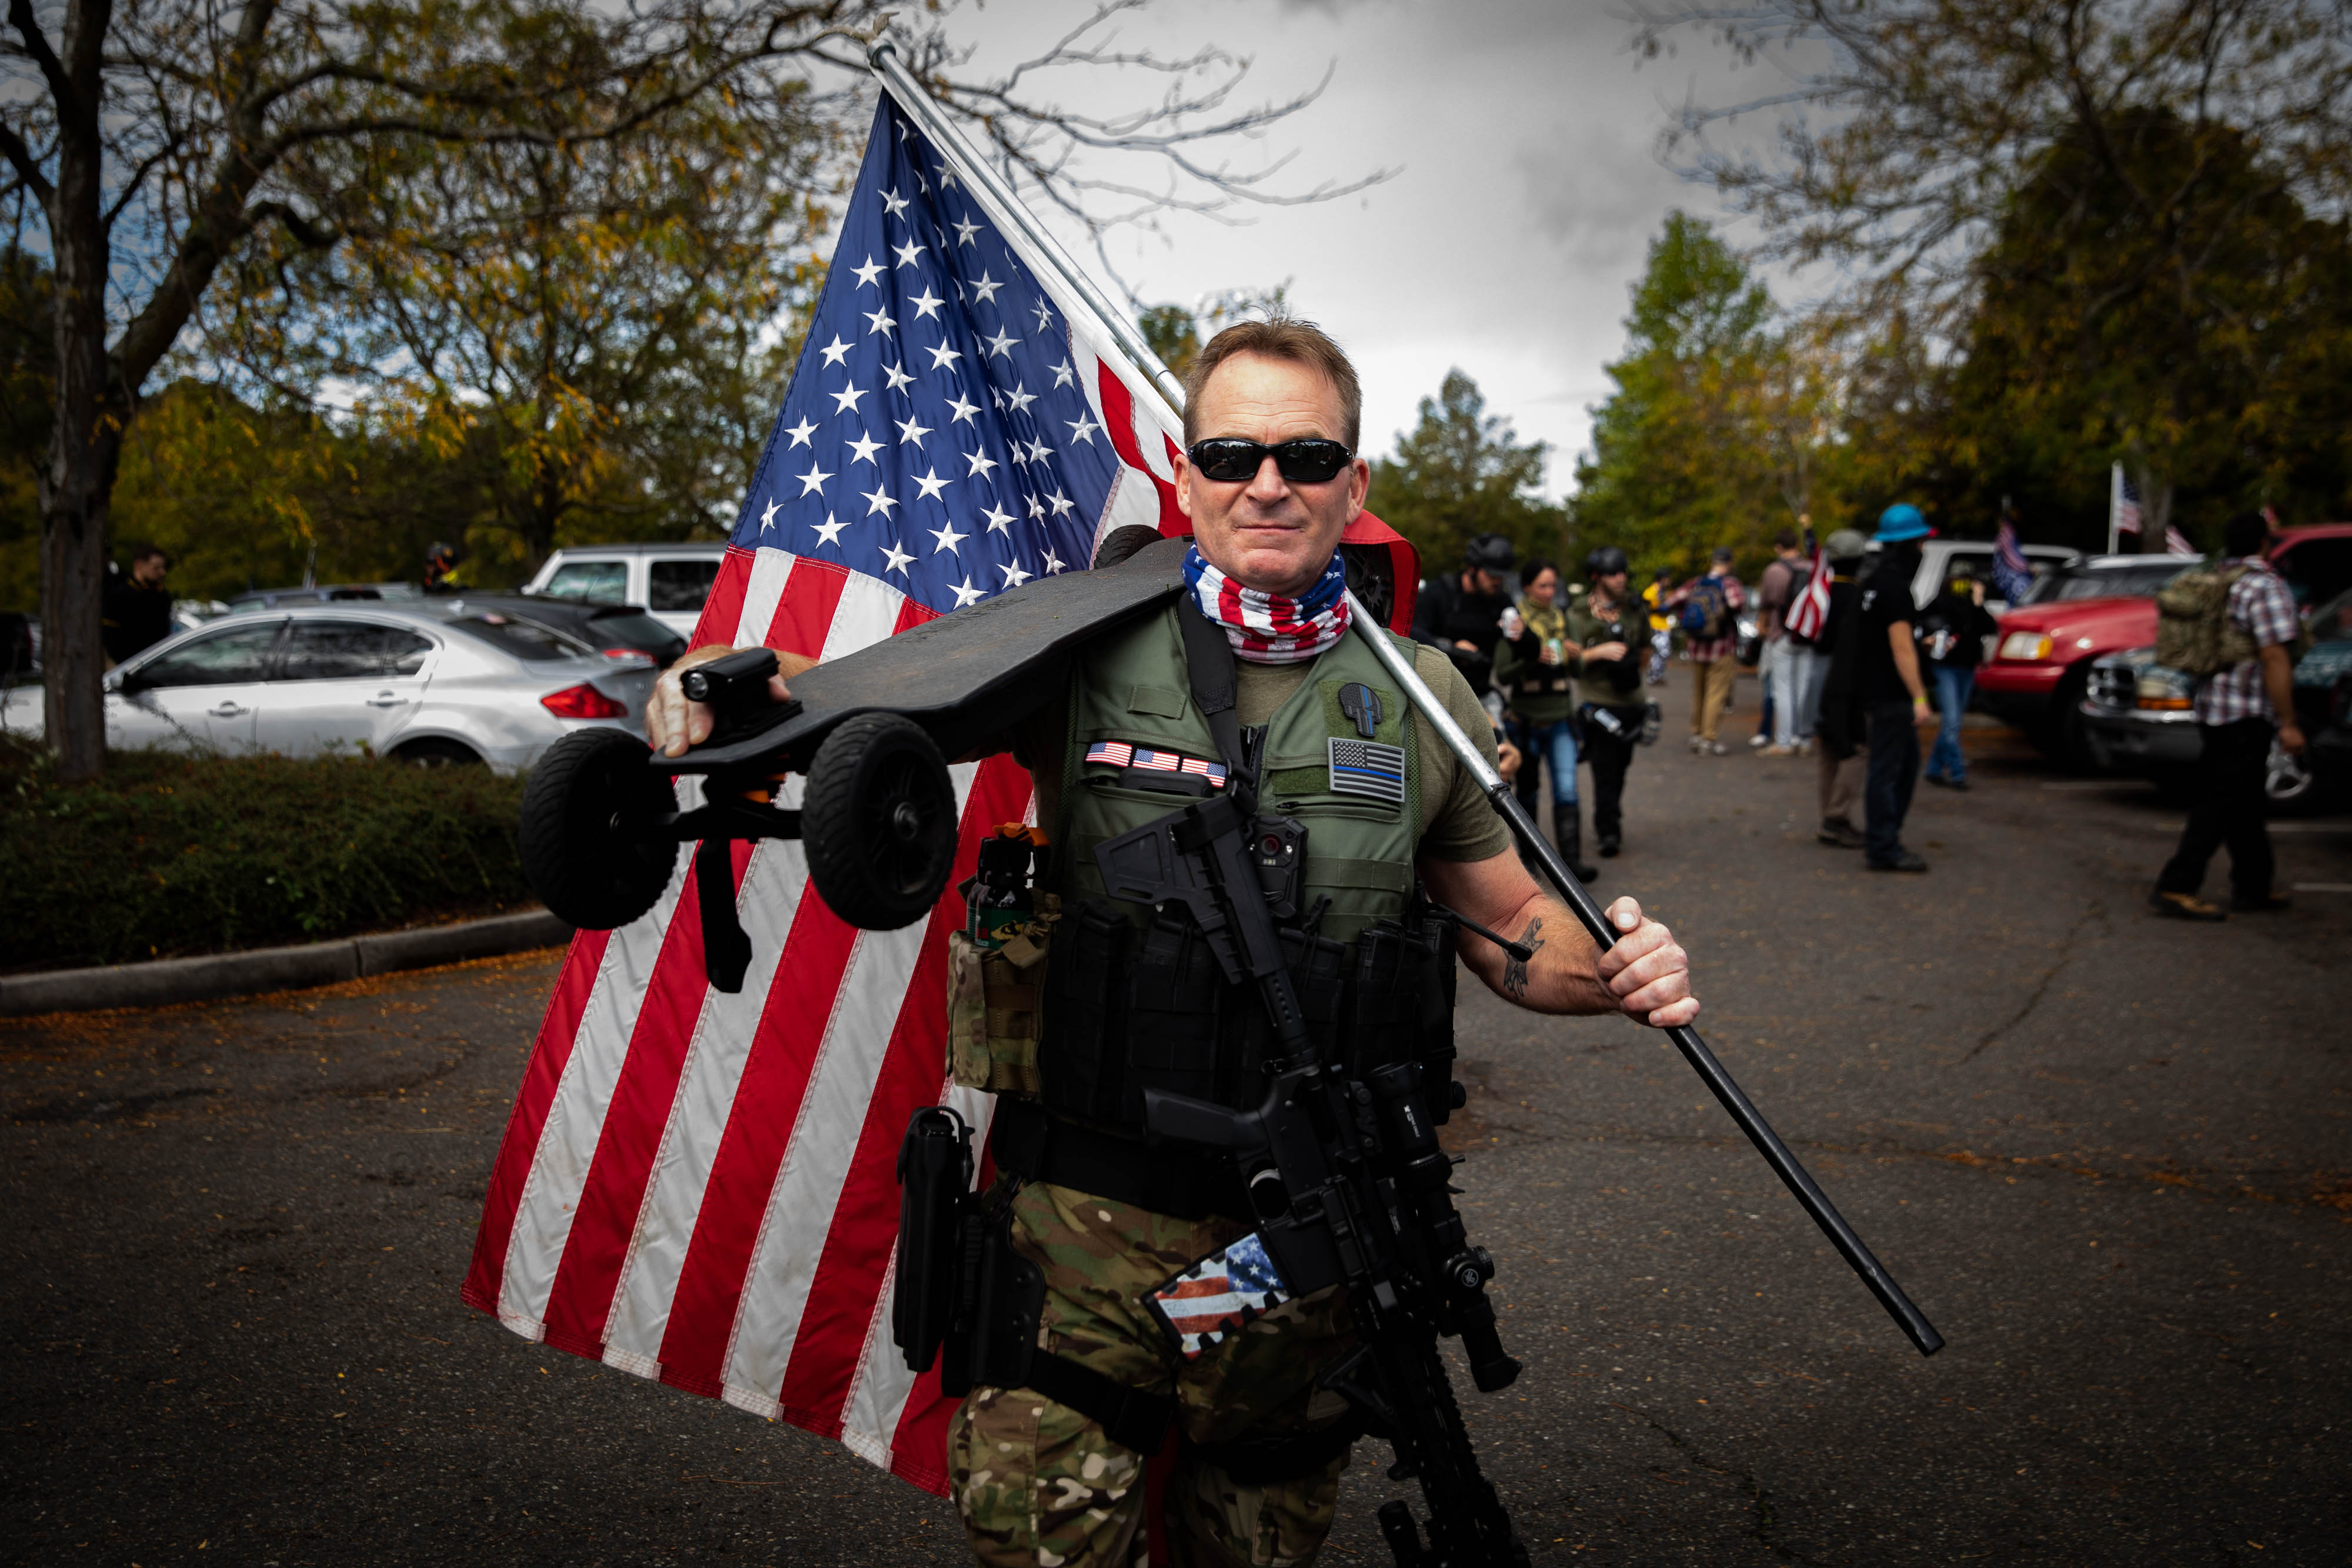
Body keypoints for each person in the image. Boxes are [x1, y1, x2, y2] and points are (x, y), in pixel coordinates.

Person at [645, 317, 1699, 1568]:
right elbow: (858, 701)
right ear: (1187, 475)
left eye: (1306, 454)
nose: (1269, 482)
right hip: (1082, 1229)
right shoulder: (1078, 647)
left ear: (1352, 484)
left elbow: (1510, 925)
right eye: (1233, 450)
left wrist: (1614, 968)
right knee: (1033, 1537)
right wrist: (727, 674)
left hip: (1304, 1254)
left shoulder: (1423, 693)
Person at [2151, 509, 2306, 919]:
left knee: (2246, 801)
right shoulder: (2264, 587)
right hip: (2245, 710)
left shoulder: (2217, 580)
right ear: (2263, 543)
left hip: (2212, 705)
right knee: (2220, 801)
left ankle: (2253, 885)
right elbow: (2274, 655)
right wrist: (2288, 722)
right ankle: (2177, 884)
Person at [1495, 557, 1593, 881]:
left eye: (1554, 585)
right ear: (1527, 587)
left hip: (1561, 719)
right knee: (1529, 793)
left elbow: (1577, 671)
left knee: (1567, 790)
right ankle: (1530, 864)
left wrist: (1575, 656)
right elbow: (1505, 674)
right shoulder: (1516, 621)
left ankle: (1571, 864)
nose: (1550, 592)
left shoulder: (1564, 619)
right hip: (1525, 721)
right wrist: (1531, 657)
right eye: (1543, 585)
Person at [1855, 505, 1940, 871]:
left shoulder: (1872, 582)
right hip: (1893, 696)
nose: (1923, 551)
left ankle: (1883, 840)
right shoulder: (1895, 587)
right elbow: (1900, 646)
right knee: (1894, 771)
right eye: (1920, 543)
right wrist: (1920, 696)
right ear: (1909, 544)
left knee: (1891, 767)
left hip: (1874, 690)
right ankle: (1884, 845)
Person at [1563, 546, 1649, 861]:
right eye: (1614, 573)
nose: (1621, 578)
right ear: (1596, 577)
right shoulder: (1577, 614)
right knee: (1603, 768)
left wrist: (1629, 669)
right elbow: (1571, 663)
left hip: (1630, 701)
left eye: (1624, 572)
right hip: (1597, 703)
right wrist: (1599, 653)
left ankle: (1611, 818)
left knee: (1621, 768)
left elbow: (1645, 650)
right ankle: (1608, 830)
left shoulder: (1635, 609)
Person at [1810, 529, 1873, 847]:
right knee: (1855, 750)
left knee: (1830, 750)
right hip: (1846, 683)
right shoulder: (1856, 596)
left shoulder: (1820, 592)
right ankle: (1836, 816)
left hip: (1818, 679)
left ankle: (1829, 815)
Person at [1917, 568, 1999, 790]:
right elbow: (1921, 620)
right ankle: (1957, 773)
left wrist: (1978, 601)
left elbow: (1990, 627)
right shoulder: (1943, 602)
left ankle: (1934, 769)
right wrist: (1928, 640)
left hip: (1967, 668)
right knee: (1952, 721)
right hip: (1945, 668)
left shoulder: (1973, 608)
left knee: (1952, 723)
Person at [1412, 531, 1517, 692]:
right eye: (1491, 575)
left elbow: (1527, 649)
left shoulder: (1501, 600)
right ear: (1472, 569)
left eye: (1501, 577)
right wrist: (1453, 649)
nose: (1497, 581)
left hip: (1480, 691)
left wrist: (1521, 633)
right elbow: (1413, 635)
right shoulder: (1440, 593)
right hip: (1437, 689)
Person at [1673, 547, 1744, 754]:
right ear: (1729, 563)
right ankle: (1708, 739)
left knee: (1699, 692)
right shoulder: (1729, 584)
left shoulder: (1695, 583)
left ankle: (1696, 734)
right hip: (1721, 646)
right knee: (1716, 693)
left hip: (1696, 647)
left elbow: (1673, 600)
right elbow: (1738, 603)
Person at [1753, 529, 1807, 755]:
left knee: (1782, 688)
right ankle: (1802, 737)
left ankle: (1783, 740)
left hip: (1781, 632)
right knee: (1803, 687)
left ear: (1778, 547)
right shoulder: (1811, 568)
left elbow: (1766, 602)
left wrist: (1762, 626)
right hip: (1807, 633)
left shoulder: (1774, 570)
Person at [100, 544, 174, 665]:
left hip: (156, 664)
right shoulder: (120, 595)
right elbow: (110, 637)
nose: (162, 573)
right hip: (127, 665)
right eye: (156, 568)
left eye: (163, 568)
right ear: (139, 566)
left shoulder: (163, 597)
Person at [1642, 568, 1675, 685]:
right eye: (1667, 579)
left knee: (1662, 652)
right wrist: (1657, 609)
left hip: (1665, 625)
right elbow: (1646, 607)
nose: (1669, 581)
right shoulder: (1652, 591)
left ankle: (1657, 676)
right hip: (1654, 625)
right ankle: (1654, 676)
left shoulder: (1667, 592)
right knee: (1661, 651)